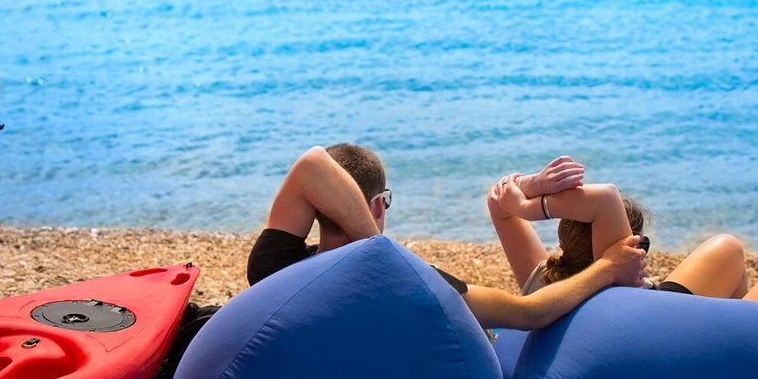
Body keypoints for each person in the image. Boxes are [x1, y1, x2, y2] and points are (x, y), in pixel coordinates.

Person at [247, 144, 648, 330]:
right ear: (378, 206)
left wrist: (531, 189)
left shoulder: (275, 268)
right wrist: (609, 268)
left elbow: (311, 166)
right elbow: (529, 314)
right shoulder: (411, 282)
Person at [487, 156, 758, 306]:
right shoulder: (622, 282)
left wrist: (531, 186)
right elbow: (605, 198)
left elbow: (497, 206)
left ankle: (736, 321)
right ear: (633, 247)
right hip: (672, 329)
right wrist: (529, 206)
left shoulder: (540, 281)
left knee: (727, 247)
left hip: (667, 313)